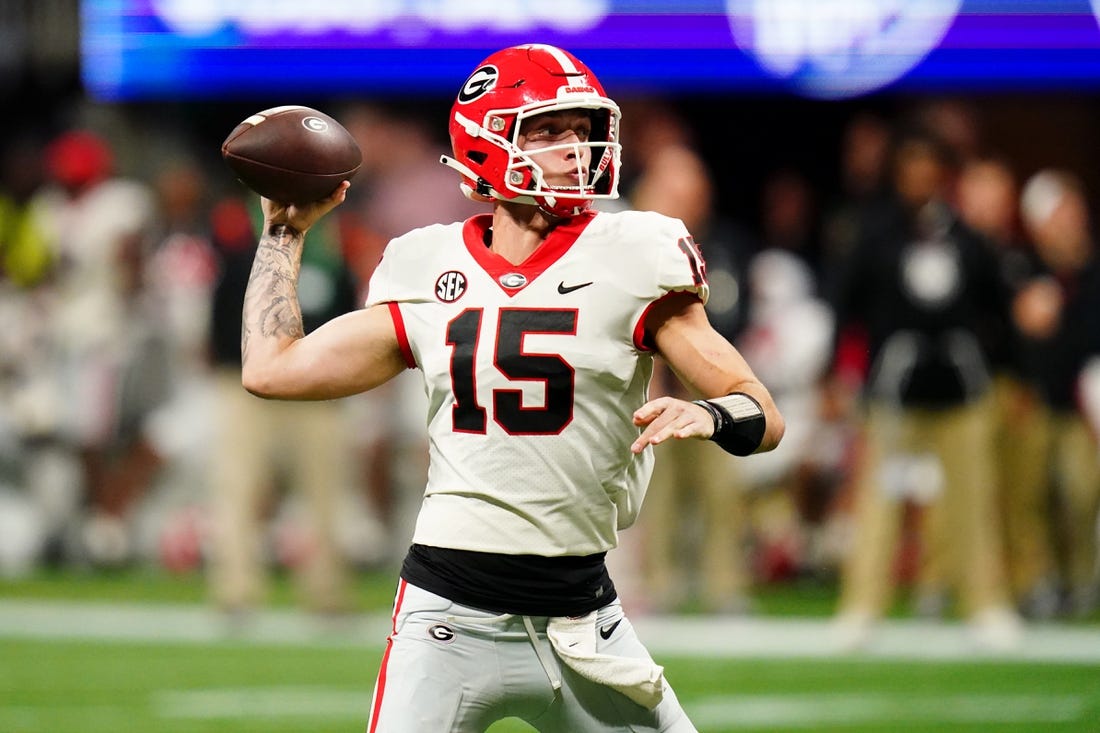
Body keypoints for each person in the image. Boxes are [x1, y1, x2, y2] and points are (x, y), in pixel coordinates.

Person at [238, 43, 783, 733]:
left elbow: (761, 413)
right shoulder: (425, 264)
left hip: (582, 617)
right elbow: (271, 369)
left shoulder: (635, 252)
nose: (574, 149)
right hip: (446, 615)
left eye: (581, 131)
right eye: (549, 130)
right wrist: (282, 235)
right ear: (488, 141)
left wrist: (708, 411)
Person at [826, 128, 1021, 650]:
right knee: (879, 503)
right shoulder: (875, 235)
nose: (918, 176)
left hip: (961, 389)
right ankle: (863, 606)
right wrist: (838, 375)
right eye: (909, 166)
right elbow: (846, 310)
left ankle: (986, 603)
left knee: (972, 502)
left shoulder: (967, 237)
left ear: (942, 173)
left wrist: (1008, 374)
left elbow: (998, 313)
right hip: (894, 390)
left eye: (927, 166)